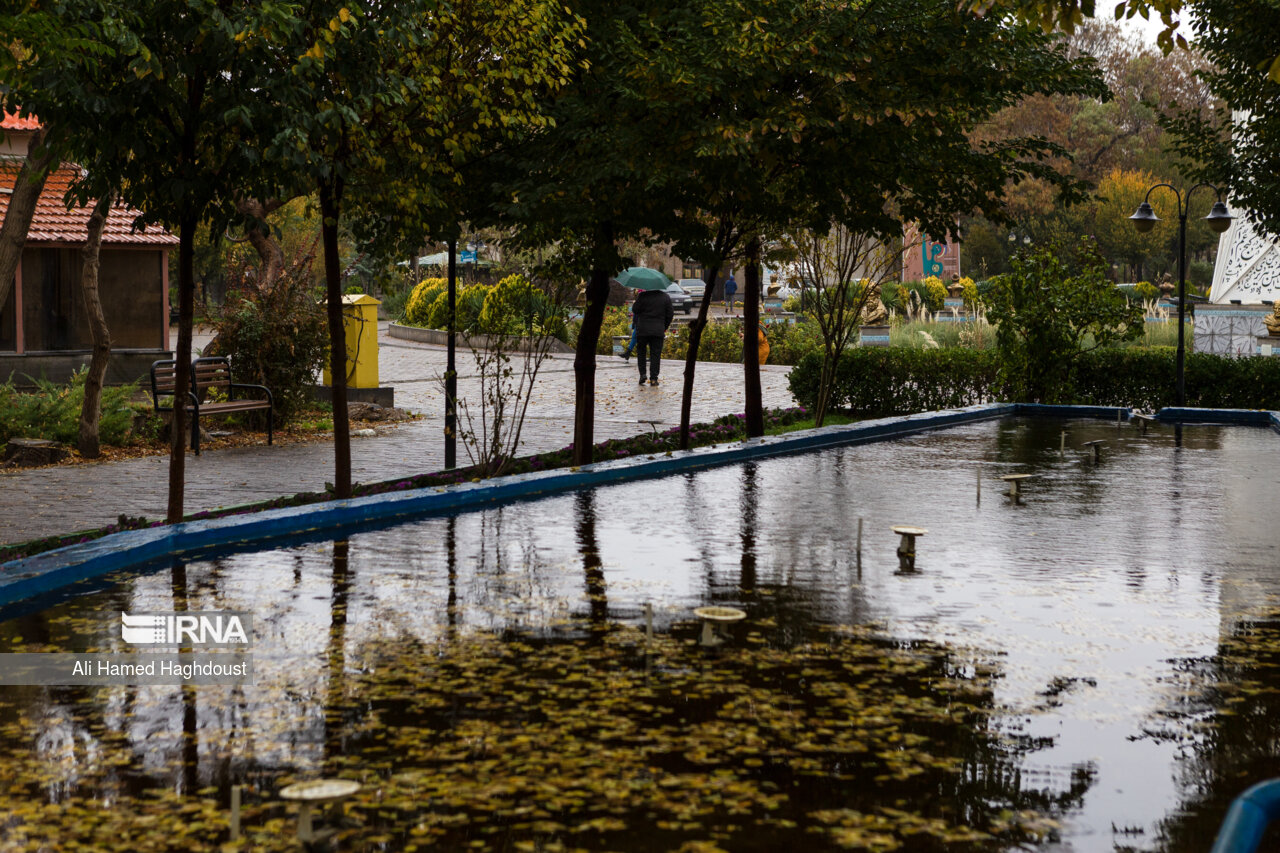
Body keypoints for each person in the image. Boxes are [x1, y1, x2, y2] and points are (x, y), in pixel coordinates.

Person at [632, 285, 674, 386]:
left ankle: (642, 374)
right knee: (655, 354)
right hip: (658, 330)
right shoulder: (665, 297)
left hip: (643, 330)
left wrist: (637, 300)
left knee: (641, 353)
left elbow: (635, 310)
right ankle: (654, 379)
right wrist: (664, 326)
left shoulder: (642, 296)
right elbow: (670, 314)